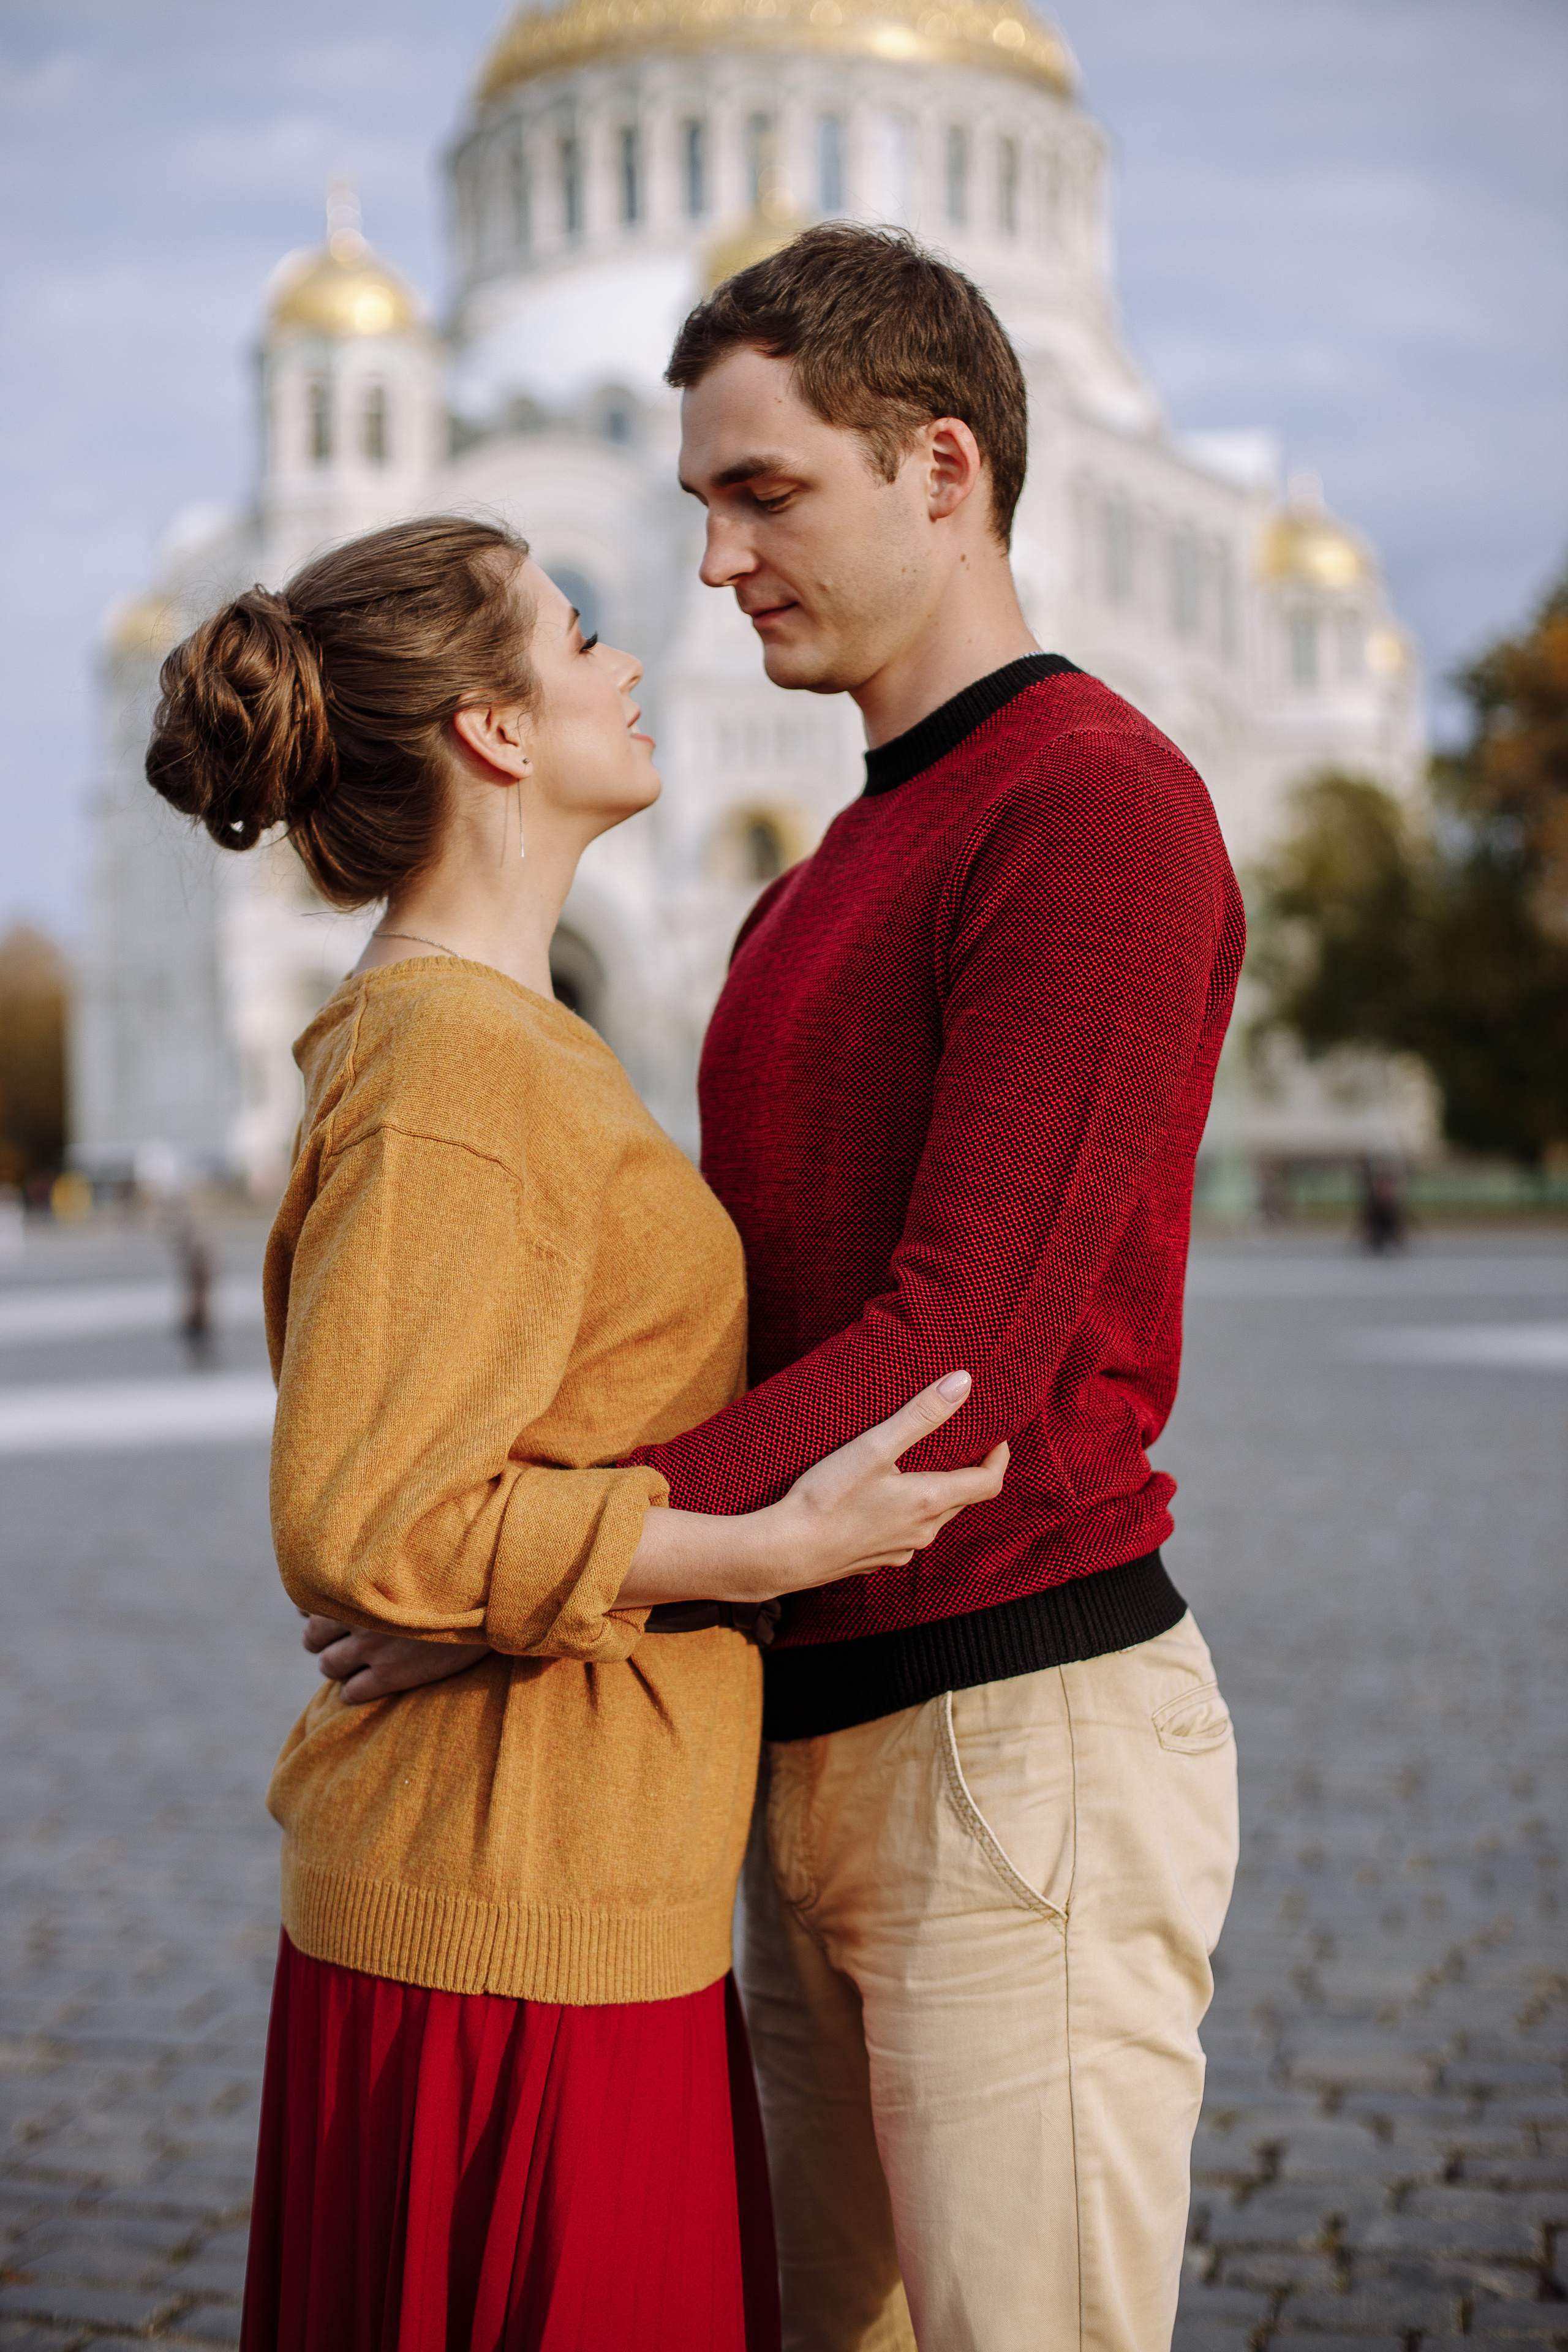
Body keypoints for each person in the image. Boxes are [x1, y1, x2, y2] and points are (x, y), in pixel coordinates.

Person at [317, 227, 1247, 2350]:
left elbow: (958, 1355)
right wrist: (531, 1537)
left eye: (767, 494)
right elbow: (735, 1320)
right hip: (791, 1728)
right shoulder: (814, 889)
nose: (718, 563)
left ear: (944, 468)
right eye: (701, 508)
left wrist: (541, 1558)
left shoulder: (1091, 809)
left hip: (1015, 1735)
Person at [142, 513, 1006, 2352]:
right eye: (579, 632)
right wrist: (761, 1551)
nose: (633, 655)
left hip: (564, 1884)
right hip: (503, 1916)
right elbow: (374, 1523)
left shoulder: (498, 1040)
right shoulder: (458, 1065)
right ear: (496, 733)